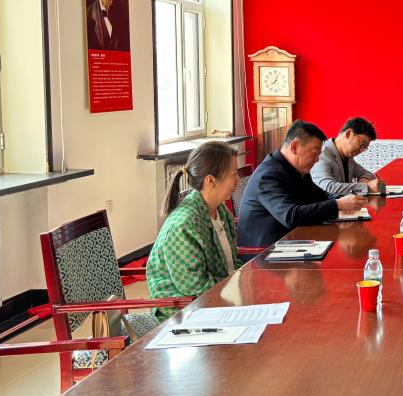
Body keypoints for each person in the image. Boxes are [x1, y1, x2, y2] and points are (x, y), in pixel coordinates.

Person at [237, 120, 365, 248]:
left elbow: (321, 196)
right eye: (314, 153)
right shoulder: (269, 175)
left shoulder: (298, 169)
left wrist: (343, 200)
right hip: (265, 252)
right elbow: (290, 216)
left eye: (319, 154)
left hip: (293, 241)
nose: (317, 159)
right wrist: (338, 205)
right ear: (294, 147)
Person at [147, 141, 240, 316]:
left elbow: (231, 263)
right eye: (234, 174)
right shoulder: (184, 225)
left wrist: (245, 279)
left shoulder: (220, 210)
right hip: (183, 312)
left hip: (218, 299)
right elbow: (195, 286)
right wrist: (238, 288)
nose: (238, 181)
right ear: (210, 180)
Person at [311, 117, 381, 196]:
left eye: (365, 148)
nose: (361, 150)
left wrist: (364, 180)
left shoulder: (348, 158)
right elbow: (328, 187)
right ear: (348, 133)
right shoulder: (321, 154)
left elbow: (368, 174)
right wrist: (365, 187)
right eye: (361, 144)